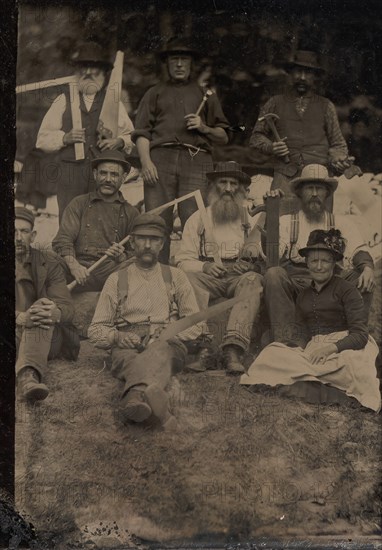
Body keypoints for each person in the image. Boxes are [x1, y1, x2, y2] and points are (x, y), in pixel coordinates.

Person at [241, 229, 381, 413]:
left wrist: (330, 348)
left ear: (333, 264)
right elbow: (302, 333)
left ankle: (322, 387)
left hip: (345, 346)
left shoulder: (347, 290)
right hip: (314, 348)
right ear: (307, 263)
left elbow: (360, 335)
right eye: (314, 261)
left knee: (353, 365)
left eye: (325, 261)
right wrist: (295, 349)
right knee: (272, 353)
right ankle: (313, 379)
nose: (319, 266)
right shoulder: (304, 295)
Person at [88, 213, 207, 429]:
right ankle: (152, 405)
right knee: (129, 359)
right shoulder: (116, 279)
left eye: (154, 240)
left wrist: (170, 332)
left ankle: (133, 397)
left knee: (159, 353)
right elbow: (95, 330)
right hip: (129, 341)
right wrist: (117, 336)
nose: (147, 245)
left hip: (168, 341)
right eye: (142, 239)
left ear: (162, 244)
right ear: (132, 242)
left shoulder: (176, 276)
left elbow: (196, 323)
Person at [132, 37, 230, 262]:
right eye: (173, 59)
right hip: (159, 161)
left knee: (194, 219)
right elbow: (141, 133)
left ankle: (193, 273)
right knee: (156, 220)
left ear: (191, 64)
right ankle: (157, 272)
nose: (178, 64)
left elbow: (224, 136)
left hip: (197, 161)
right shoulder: (153, 93)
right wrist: (146, 162)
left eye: (183, 59)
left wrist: (203, 126)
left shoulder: (207, 96)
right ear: (166, 63)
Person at [262, 164, 375, 343]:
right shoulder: (287, 222)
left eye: (319, 188)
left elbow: (358, 249)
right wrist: (271, 215)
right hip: (297, 285)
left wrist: (367, 268)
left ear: (327, 193)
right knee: (274, 274)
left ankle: (353, 337)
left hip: (331, 285)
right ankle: (285, 342)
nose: (314, 194)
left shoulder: (341, 223)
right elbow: (272, 255)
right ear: (299, 192)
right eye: (309, 188)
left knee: (362, 277)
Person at [175, 161, 263, 375]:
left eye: (234, 183)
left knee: (253, 281)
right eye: (223, 182)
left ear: (241, 190)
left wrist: (249, 261)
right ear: (213, 186)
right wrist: (204, 266)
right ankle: (204, 348)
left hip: (237, 277)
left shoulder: (248, 220)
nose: (228, 188)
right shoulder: (198, 219)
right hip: (209, 277)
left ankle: (232, 349)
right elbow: (182, 260)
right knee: (186, 278)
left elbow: (259, 253)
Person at [36, 41, 135, 219]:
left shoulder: (112, 102)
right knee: (69, 217)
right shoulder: (63, 99)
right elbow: (42, 139)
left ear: (104, 73)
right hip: (70, 172)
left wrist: (118, 141)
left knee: (101, 216)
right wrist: (64, 138)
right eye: (84, 67)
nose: (88, 73)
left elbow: (130, 136)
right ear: (76, 72)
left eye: (94, 68)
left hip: (102, 170)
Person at [249, 50, 350, 215]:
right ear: (290, 73)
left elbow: (338, 144)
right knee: (278, 226)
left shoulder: (326, 106)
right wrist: (271, 147)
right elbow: (255, 137)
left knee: (318, 233)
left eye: (308, 72)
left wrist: (338, 157)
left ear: (315, 76)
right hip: (284, 180)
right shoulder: (274, 103)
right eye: (298, 71)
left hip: (318, 180)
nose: (302, 77)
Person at [15, 207, 78, 402]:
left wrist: (54, 312)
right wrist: (19, 317)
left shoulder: (49, 262)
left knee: (41, 308)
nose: (18, 237)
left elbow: (67, 308)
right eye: (11, 231)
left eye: (24, 232)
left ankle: (28, 377)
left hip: (45, 335)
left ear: (32, 236)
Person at [52, 150, 139, 292]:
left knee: (139, 265)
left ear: (123, 177)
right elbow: (63, 240)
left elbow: (135, 252)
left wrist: (122, 256)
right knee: (45, 258)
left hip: (112, 272)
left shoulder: (131, 212)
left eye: (114, 174)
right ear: (95, 174)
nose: (108, 179)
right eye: (103, 173)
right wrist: (74, 266)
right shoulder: (78, 203)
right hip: (77, 270)